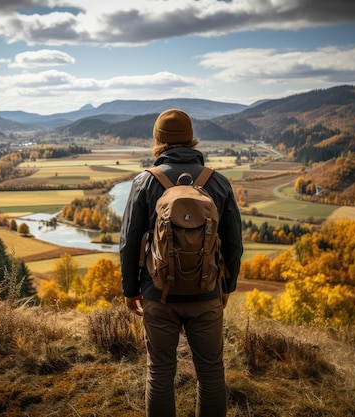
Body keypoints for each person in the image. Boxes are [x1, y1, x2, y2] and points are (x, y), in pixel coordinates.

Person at [120, 108, 243, 417]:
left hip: (158, 294)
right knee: (211, 374)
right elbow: (234, 244)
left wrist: (130, 290)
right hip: (206, 293)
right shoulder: (218, 183)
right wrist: (226, 286)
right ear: (191, 140)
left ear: (158, 141)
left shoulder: (144, 183)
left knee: (160, 374)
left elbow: (129, 243)